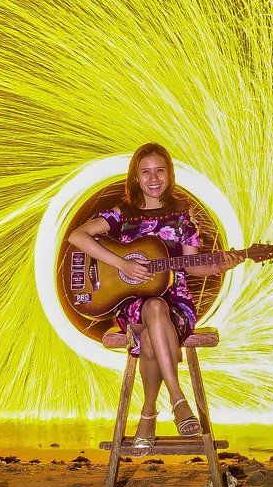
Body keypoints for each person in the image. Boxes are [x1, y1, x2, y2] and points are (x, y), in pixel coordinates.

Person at [68, 142, 241, 450]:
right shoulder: (122, 214)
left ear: (169, 174)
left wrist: (219, 265)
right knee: (152, 306)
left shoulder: (182, 215)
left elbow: (193, 266)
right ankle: (178, 399)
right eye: (145, 172)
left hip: (177, 302)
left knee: (154, 325)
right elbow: (76, 236)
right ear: (135, 177)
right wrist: (122, 263)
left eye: (159, 170)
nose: (153, 178)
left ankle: (148, 412)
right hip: (131, 303)